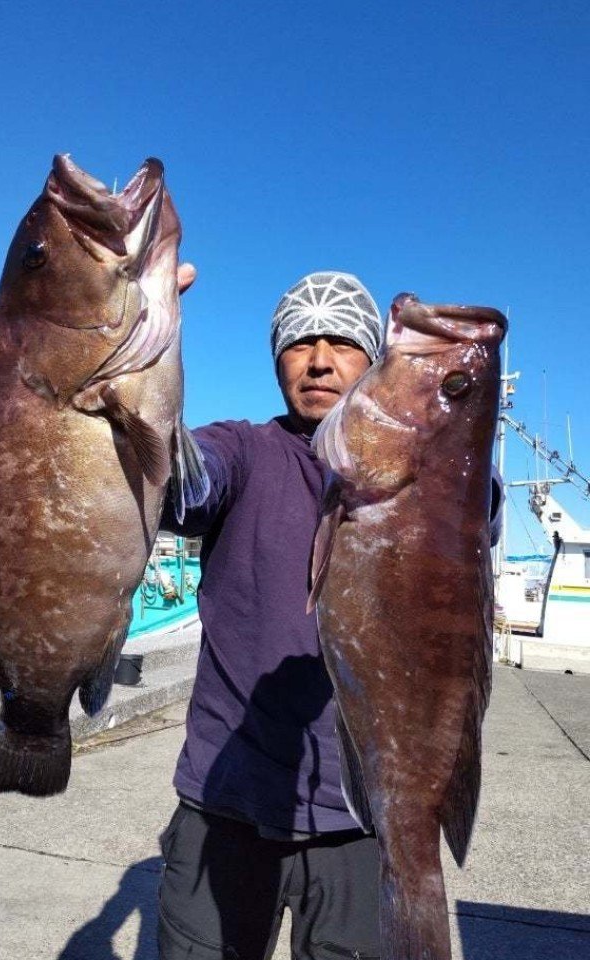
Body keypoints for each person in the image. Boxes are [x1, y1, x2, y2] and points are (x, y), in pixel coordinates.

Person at [154, 271, 501, 959]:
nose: (318, 360)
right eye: (299, 343)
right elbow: (176, 482)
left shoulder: (445, 482)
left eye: (342, 342)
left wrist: (435, 436)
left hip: (363, 822)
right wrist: (147, 341)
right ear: (278, 360)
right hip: (225, 807)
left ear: (373, 361)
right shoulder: (242, 450)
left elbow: (472, 505)